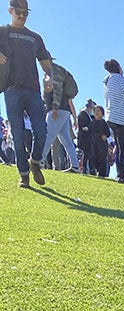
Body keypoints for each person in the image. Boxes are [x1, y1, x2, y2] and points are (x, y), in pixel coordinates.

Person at [0, 0, 52, 188]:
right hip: (11, 90)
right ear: (10, 11)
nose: (22, 16)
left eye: (25, 13)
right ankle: (23, 175)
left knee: (41, 131)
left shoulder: (35, 37)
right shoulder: (2, 32)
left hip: (33, 90)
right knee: (18, 134)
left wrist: (48, 77)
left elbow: (46, 63)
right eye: (18, 12)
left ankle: (35, 162)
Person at [40, 61, 78, 170]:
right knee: (66, 139)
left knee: (48, 134)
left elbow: (57, 90)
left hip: (58, 109)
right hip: (64, 109)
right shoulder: (55, 70)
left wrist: (55, 108)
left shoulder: (53, 70)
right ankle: (75, 166)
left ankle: (40, 160)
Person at [88, 104, 110, 177]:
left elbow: (108, 132)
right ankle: (95, 170)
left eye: (98, 111)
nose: (96, 112)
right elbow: (89, 131)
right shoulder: (92, 122)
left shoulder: (104, 122)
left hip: (102, 143)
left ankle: (102, 173)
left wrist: (105, 135)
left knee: (102, 158)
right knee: (94, 157)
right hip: (93, 143)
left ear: (102, 113)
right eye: (95, 111)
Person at [76, 98, 95, 173]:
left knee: (88, 155)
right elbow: (84, 127)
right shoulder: (83, 113)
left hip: (89, 139)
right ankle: (83, 169)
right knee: (84, 155)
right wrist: (88, 127)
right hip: (84, 139)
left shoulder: (90, 115)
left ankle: (88, 169)